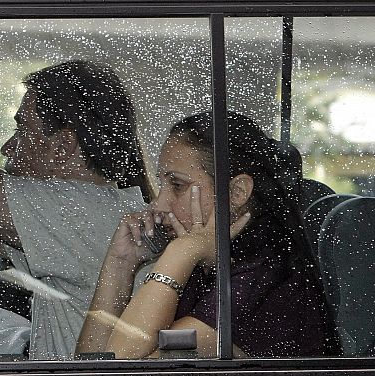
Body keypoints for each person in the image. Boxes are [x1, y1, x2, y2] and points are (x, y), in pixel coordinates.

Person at [0, 60, 152, 360]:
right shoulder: (85, 218)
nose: (7, 147)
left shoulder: (83, 211)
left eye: (21, 129)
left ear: (64, 145)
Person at [75, 111, 341, 359]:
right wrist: (120, 265)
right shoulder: (213, 261)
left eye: (177, 185)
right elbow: (90, 364)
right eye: (162, 184)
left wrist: (180, 253)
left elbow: (120, 364)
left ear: (236, 193)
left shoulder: (264, 279)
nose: (158, 204)